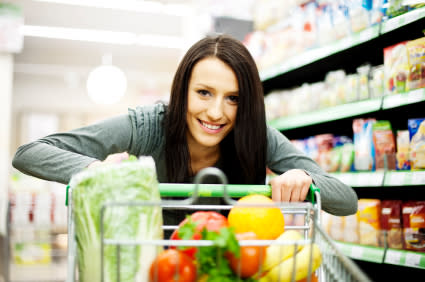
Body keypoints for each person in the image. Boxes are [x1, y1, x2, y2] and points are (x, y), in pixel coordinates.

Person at [12, 34, 357, 225]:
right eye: (204, 93)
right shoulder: (149, 126)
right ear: (183, 91)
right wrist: (97, 171)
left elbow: (347, 201)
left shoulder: (255, 134)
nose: (216, 112)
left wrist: (305, 179)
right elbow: (30, 154)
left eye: (233, 98)